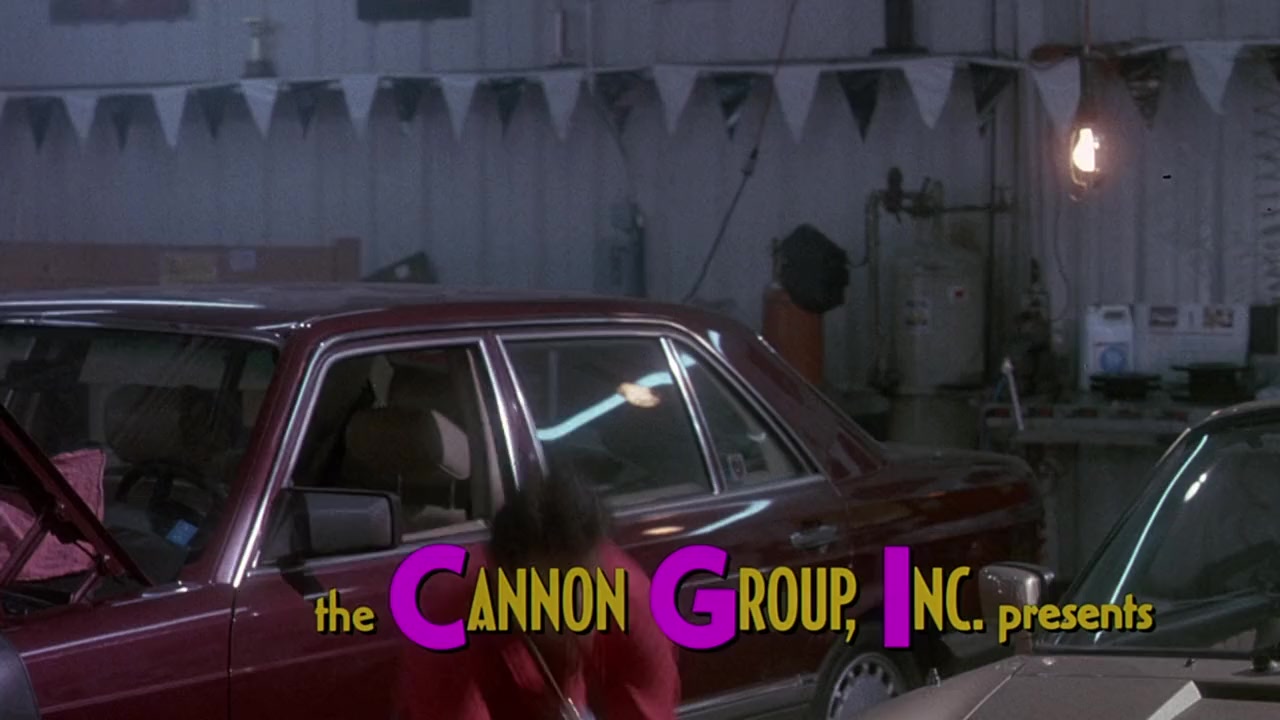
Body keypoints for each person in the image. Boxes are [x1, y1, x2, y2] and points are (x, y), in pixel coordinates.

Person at [398, 468, 681, 719]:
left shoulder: (633, 603)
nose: (578, 606)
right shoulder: (446, 614)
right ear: (502, 580)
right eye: (551, 594)